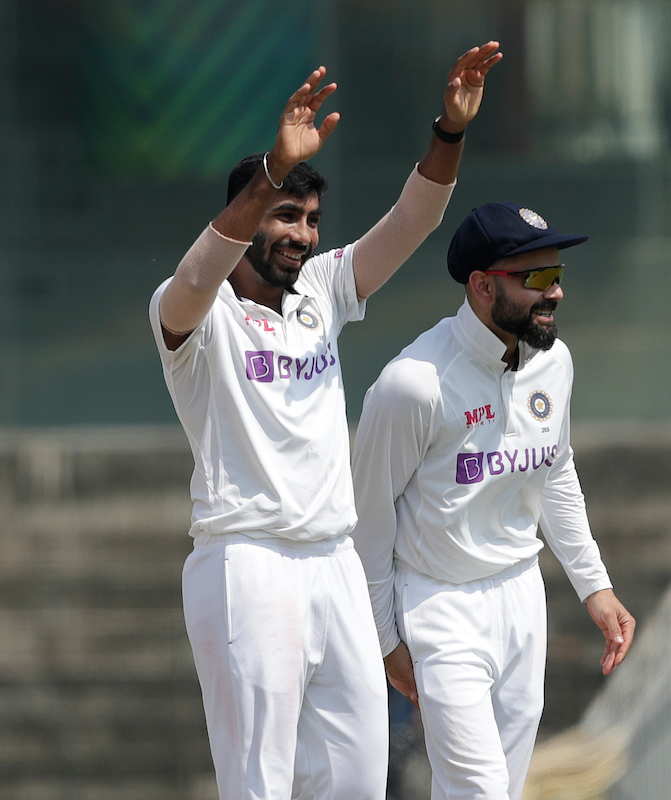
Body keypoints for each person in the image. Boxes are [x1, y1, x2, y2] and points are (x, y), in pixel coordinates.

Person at [148, 43, 502, 800]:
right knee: (260, 783)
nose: (303, 235)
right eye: (285, 216)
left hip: (335, 563)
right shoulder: (194, 316)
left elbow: (415, 219)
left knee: (355, 781)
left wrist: (449, 129)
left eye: (310, 219)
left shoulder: (322, 289)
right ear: (245, 222)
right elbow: (197, 271)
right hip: (247, 562)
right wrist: (271, 170)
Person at [351, 202, 636, 800]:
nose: (555, 292)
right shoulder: (414, 384)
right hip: (439, 605)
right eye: (535, 279)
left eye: (557, 275)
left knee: (501, 790)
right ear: (482, 286)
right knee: (478, 791)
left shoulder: (554, 363)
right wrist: (384, 641)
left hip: (521, 597)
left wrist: (595, 585)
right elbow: (368, 517)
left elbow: (554, 471)